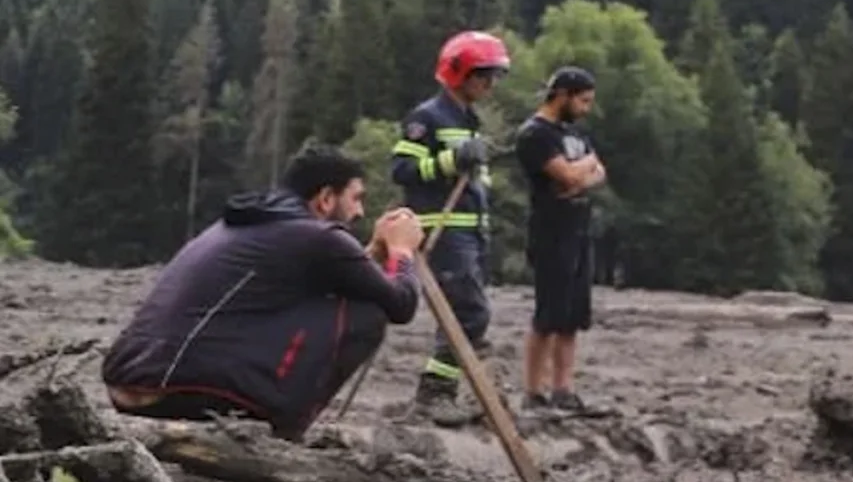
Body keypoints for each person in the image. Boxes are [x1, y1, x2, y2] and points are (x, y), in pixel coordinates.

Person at [106, 146, 426, 439]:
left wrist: (375, 253)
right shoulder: (321, 237)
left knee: (329, 303)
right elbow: (400, 304)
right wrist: (402, 250)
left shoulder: (246, 223)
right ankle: (285, 433)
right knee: (366, 313)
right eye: (356, 198)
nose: (359, 212)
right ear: (326, 198)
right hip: (182, 390)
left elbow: (347, 277)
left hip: (129, 384)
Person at [391, 29, 510, 425]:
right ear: (459, 73)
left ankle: (462, 390)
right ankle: (436, 392)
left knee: (464, 314)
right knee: (470, 313)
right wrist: (450, 161)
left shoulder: (468, 119)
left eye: (493, 76)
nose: (490, 84)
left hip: (471, 232)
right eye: (483, 75)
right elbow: (402, 170)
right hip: (442, 231)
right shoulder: (427, 118)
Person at [512, 66, 609, 416]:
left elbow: (598, 172)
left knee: (572, 315)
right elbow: (568, 174)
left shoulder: (575, 134)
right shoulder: (535, 135)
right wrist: (581, 173)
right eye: (582, 100)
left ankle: (563, 390)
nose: (586, 108)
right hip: (551, 232)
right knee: (548, 314)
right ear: (563, 94)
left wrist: (578, 178)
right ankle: (533, 393)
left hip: (579, 228)